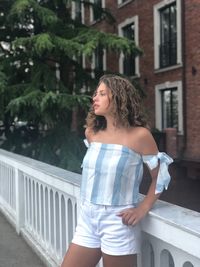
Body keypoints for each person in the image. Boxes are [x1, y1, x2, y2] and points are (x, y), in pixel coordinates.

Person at [61, 74, 173, 267]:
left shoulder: (140, 136)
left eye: (102, 94)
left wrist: (143, 208)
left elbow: (160, 177)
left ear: (119, 98)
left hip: (118, 221)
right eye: (95, 93)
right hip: (88, 216)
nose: (94, 98)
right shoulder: (92, 132)